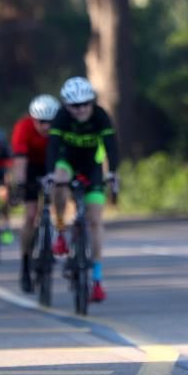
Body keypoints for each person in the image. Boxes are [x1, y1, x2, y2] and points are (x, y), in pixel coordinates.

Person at [46, 77, 119, 303]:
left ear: (92, 103)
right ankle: (59, 229)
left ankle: (97, 279)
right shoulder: (61, 117)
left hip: (91, 166)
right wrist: (50, 172)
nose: (81, 110)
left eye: (86, 104)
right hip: (67, 162)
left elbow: (111, 146)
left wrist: (113, 172)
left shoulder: (100, 116)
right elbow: (53, 146)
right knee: (59, 179)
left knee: (95, 220)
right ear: (66, 105)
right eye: (75, 106)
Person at [11, 94, 60, 293]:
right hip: (30, 167)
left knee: (59, 203)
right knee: (31, 215)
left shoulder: (61, 127)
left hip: (52, 165)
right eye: (42, 122)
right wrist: (20, 184)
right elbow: (20, 162)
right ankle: (25, 263)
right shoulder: (23, 128)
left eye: (51, 122)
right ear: (33, 119)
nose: (47, 127)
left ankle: (56, 240)